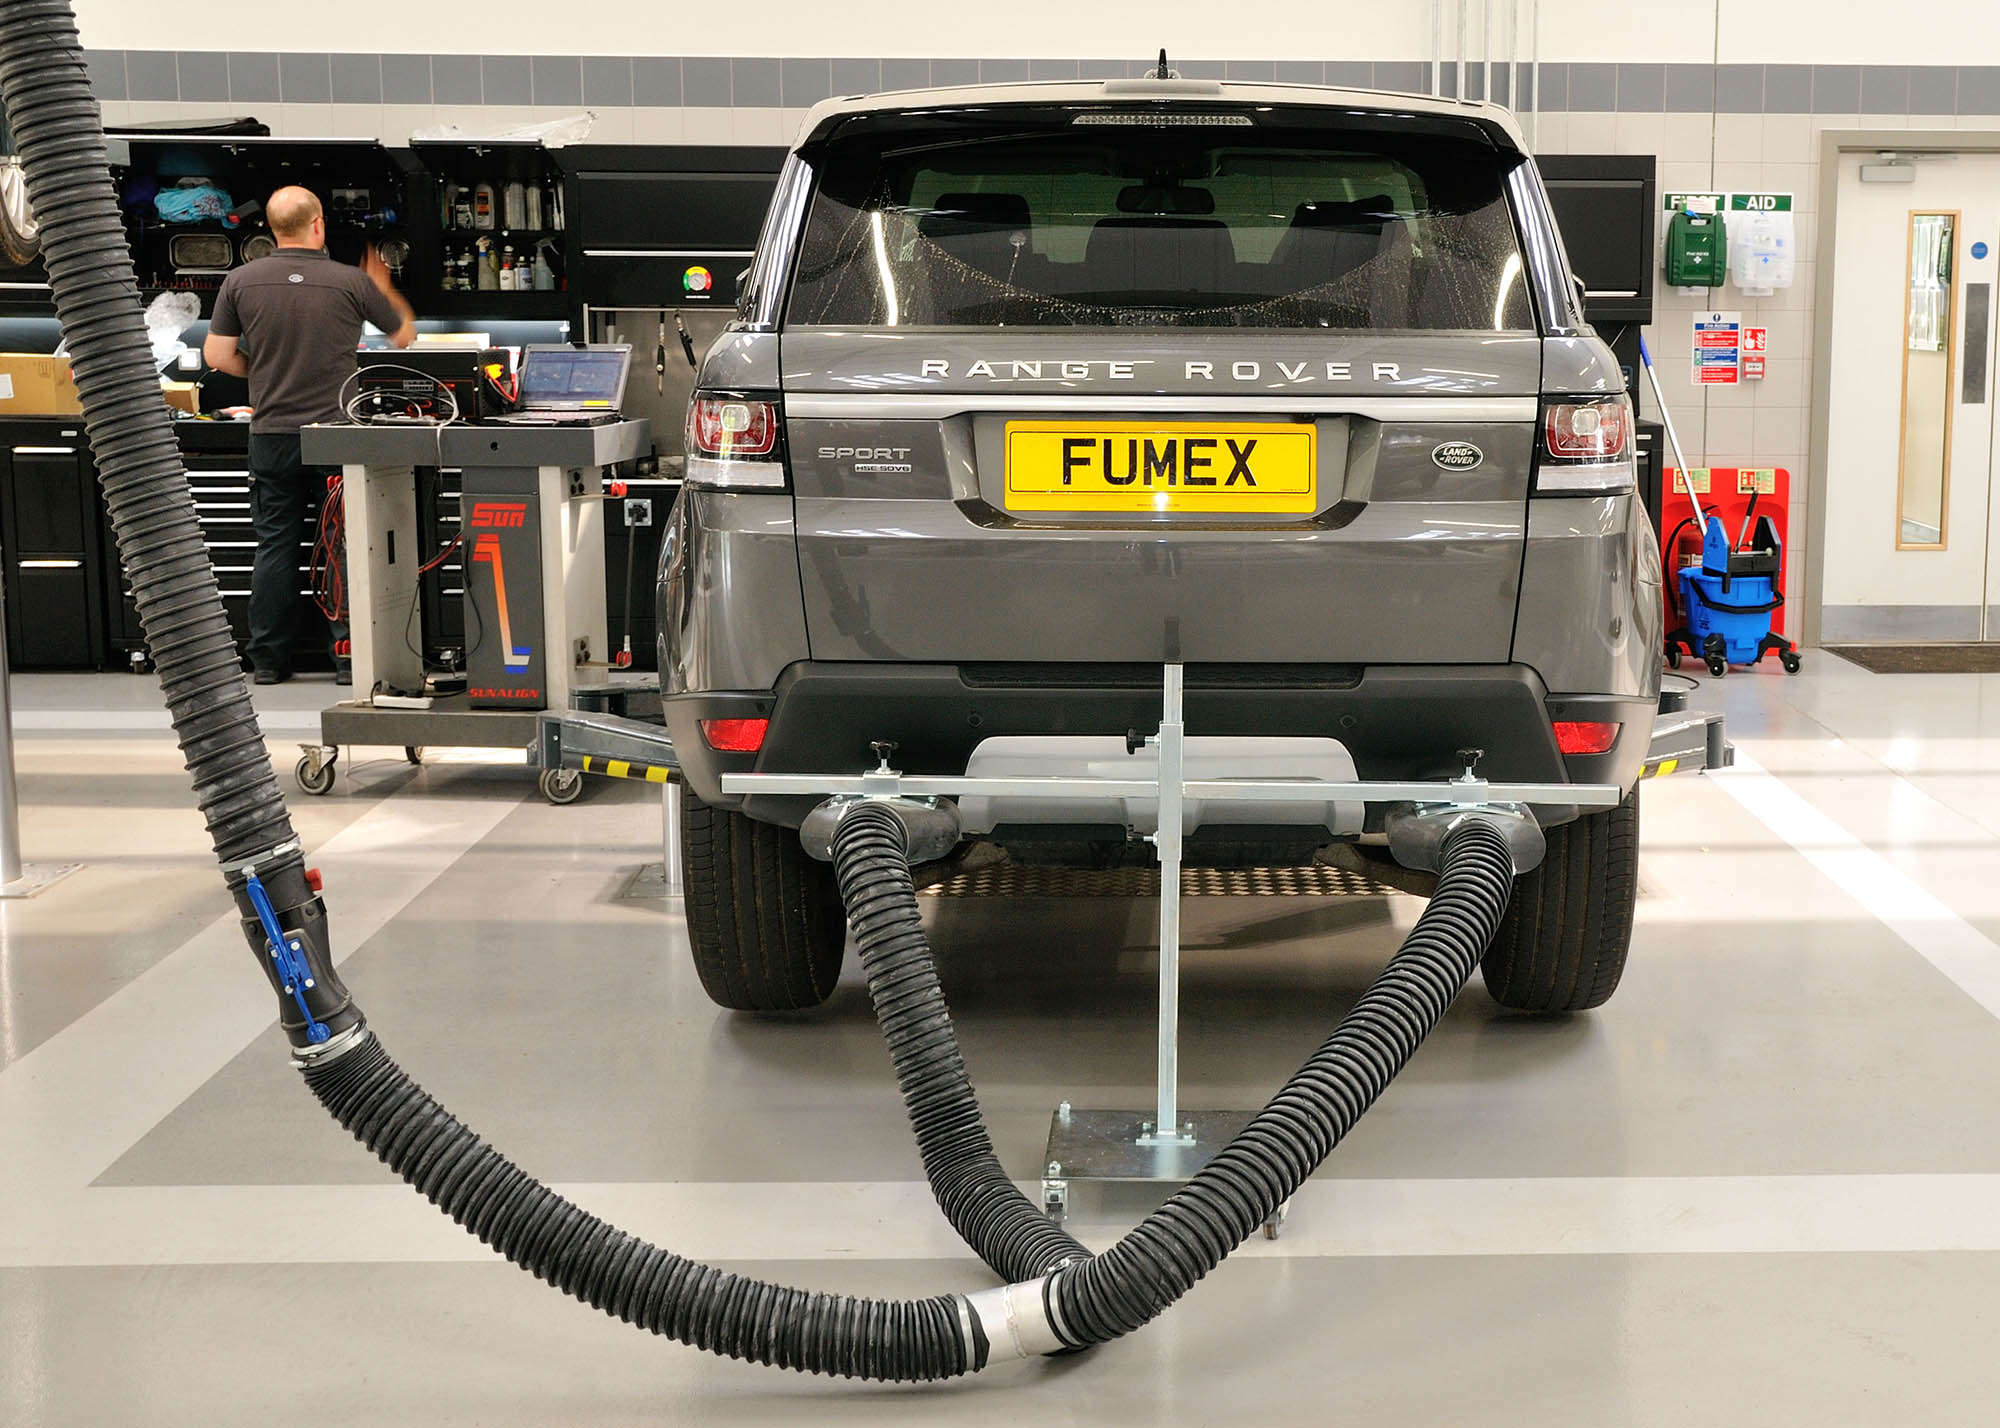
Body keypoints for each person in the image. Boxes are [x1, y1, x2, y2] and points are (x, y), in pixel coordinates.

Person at [203, 185, 416, 684]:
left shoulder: (240, 280)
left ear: (273, 228)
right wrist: (382, 286)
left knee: (275, 545)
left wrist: (263, 372)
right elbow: (404, 336)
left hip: (272, 435)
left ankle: (268, 661)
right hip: (336, 436)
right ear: (318, 224)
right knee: (341, 544)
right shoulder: (350, 281)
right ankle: (346, 658)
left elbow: (216, 356)